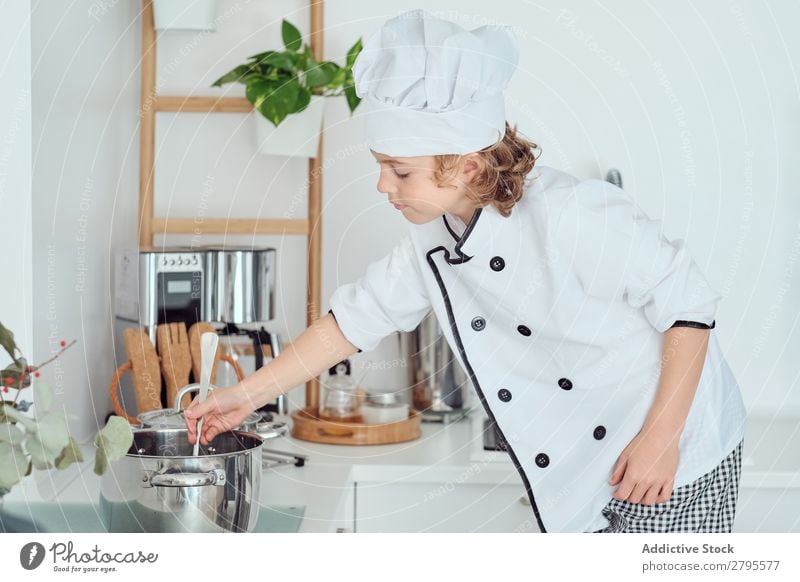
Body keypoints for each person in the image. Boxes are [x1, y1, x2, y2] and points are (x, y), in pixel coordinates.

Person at [184, 8, 746, 533]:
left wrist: (661, 438)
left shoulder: (573, 213)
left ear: (468, 165)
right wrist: (245, 396)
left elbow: (689, 309)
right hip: (589, 465)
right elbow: (350, 323)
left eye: (399, 171)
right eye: (382, 168)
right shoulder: (431, 242)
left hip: (675, 446)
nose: (384, 186)